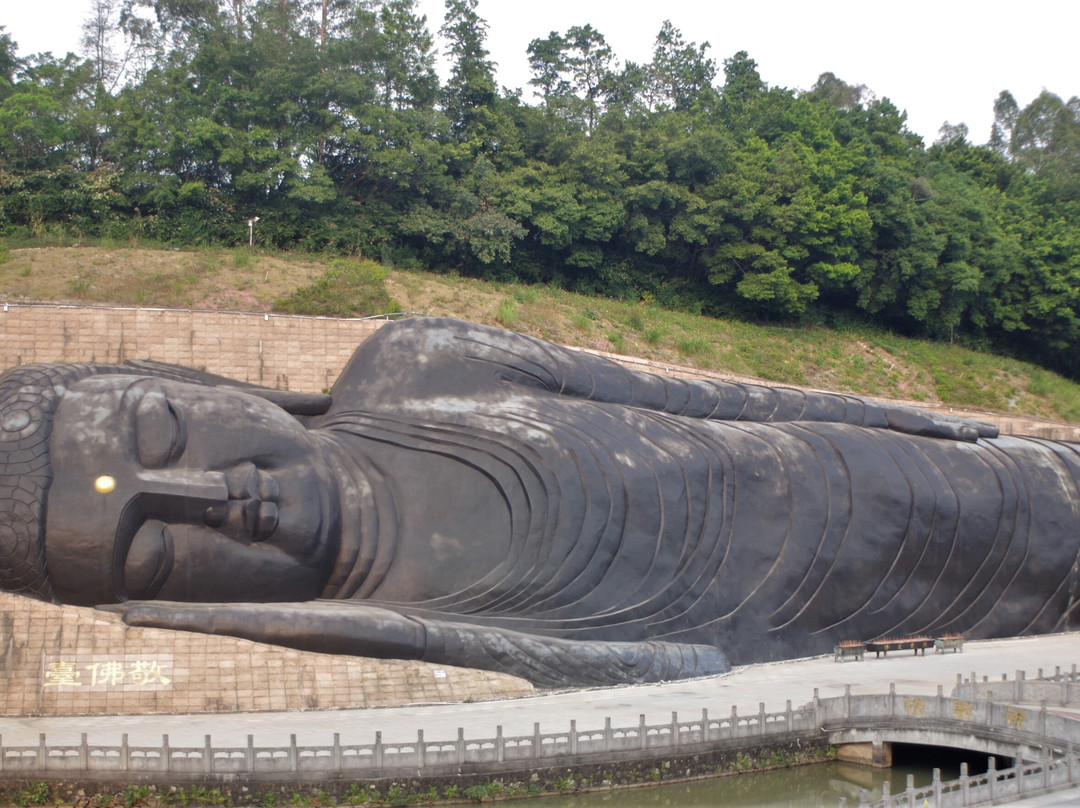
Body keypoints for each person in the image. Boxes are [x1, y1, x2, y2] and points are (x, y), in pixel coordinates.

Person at [1, 318, 1077, 687]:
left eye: (160, 435)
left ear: (205, 386)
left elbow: (705, 393)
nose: (210, 499)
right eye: (152, 558)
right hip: (970, 601)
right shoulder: (428, 624)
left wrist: (931, 423)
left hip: (926, 470)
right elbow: (695, 664)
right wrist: (350, 626)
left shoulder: (423, 366)